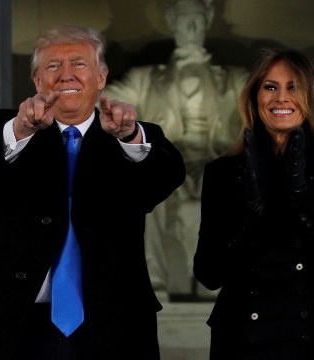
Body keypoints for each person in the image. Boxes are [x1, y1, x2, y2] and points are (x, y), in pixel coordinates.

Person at [0, 24, 185, 360]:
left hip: (112, 326)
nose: (66, 75)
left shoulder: (133, 136)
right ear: (37, 81)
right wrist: (21, 128)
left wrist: (129, 137)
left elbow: (165, 178)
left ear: (101, 77)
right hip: (18, 326)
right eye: (53, 66)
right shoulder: (6, 129)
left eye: (79, 64)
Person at [193, 49, 314, 359]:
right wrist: (250, 214)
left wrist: (303, 199)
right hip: (242, 339)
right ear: (255, 96)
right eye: (270, 86)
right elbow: (208, 273)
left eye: (293, 87)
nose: (280, 98)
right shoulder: (223, 173)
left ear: (309, 95)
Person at [103, 0, 248, 300]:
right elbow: (101, 101)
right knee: (144, 190)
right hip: (165, 161)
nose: (191, 28)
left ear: (208, 21)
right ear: (172, 22)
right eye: (184, 20)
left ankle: (214, 280)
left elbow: (274, 101)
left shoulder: (234, 78)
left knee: (223, 182)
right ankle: (152, 284)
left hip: (216, 160)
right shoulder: (145, 78)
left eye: (197, 20)